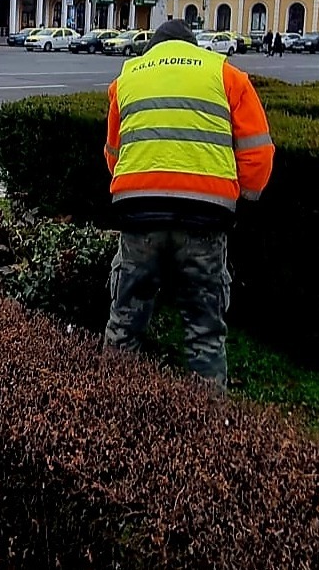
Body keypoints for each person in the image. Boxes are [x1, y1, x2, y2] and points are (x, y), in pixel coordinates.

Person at [103, 20, 274, 389]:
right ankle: (208, 418)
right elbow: (258, 152)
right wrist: (243, 196)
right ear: (193, 46)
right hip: (205, 218)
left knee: (125, 322)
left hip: (139, 216)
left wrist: (142, 183)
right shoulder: (226, 75)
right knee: (204, 330)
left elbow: (113, 154)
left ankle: (110, 407)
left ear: (153, 48)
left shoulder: (127, 78)